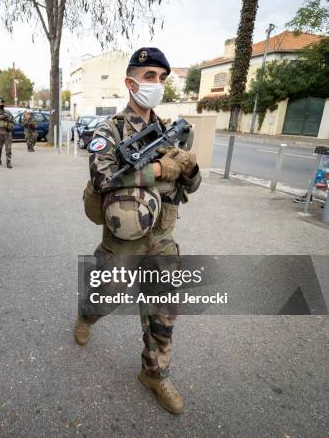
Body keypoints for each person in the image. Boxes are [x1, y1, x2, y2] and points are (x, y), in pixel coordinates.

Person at [75, 48, 202, 415]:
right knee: (105, 297)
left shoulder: (170, 131)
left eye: (162, 78)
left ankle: (155, 374)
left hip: (161, 238)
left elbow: (190, 187)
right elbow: (101, 178)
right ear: (130, 83)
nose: (157, 84)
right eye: (150, 77)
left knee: (163, 311)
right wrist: (158, 172)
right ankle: (86, 316)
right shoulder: (110, 130)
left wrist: (189, 171)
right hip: (122, 239)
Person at [0, 98, 14, 168]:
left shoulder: (8, 112)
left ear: (4, 104)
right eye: (0, 103)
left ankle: (8, 162)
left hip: (7, 133)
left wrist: (6, 118)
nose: (1, 104)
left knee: (8, 148)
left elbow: (13, 120)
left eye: (2, 103)